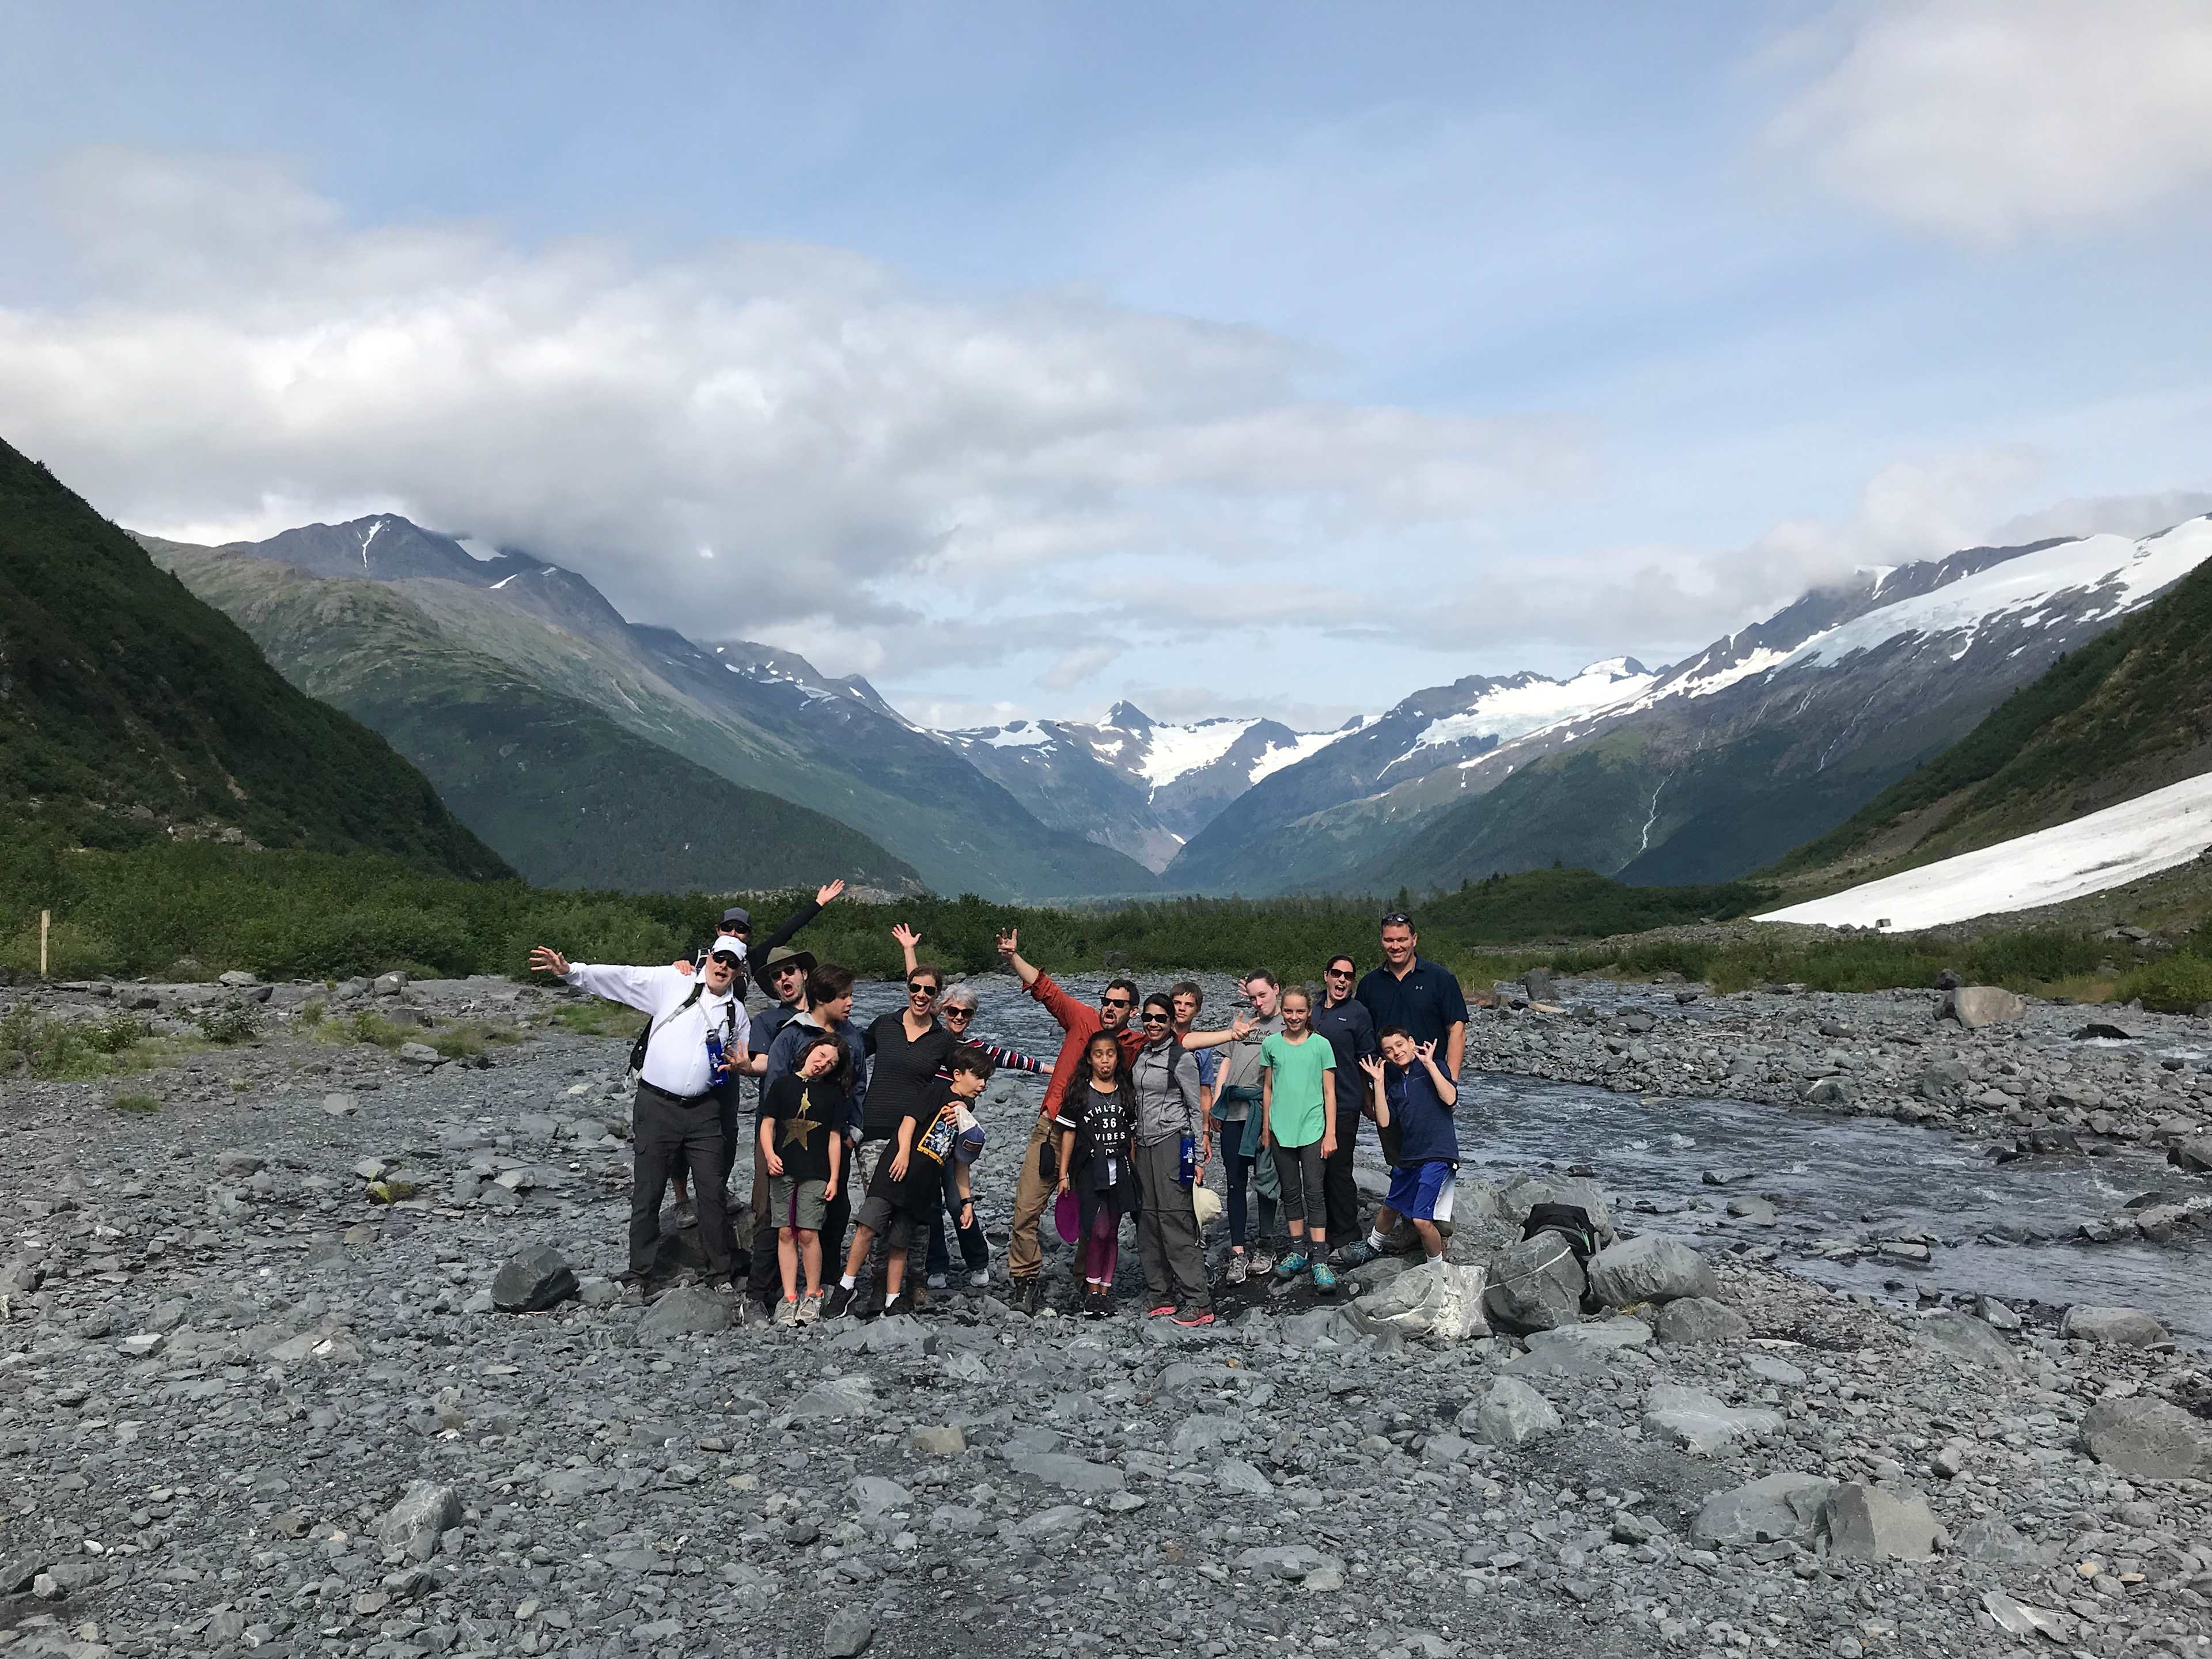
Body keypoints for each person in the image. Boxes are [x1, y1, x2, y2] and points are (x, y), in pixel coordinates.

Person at [529, 935, 751, 1290]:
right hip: (656, 1106)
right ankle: (640, 1273)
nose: (723, 966)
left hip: (705, 1111)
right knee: (648, 1191)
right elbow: (623, 978)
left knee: (711, 1192)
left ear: (739, 971)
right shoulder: (672, 982)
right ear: (708, 957)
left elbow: (743, 1061)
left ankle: (720, 1272)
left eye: (732, 962)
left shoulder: (737, 1014)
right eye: (719, 957)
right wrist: (571, 972)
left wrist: (747, 1067)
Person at [668, 880, 845, 1226]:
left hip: (724, 1053)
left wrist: (817, 904)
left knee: (726, 1129)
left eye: (742, 929)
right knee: (678, 1130)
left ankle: (716, 1190)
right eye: (729, 927)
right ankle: (680, 1198)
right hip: (686, 1051)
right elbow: (671, 984)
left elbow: (785, 932)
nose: (735, 933)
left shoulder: (751, 962)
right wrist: (680, 965)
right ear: (718, 930)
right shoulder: (701, 959)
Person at [995, 929, 1149, 1316]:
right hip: (1051, 1129)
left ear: (1132, 1010)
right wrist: (1014, 957)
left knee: (1091, 1214)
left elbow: (1176, 1039)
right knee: (1026, 1209)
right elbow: (1046, 988)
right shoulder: (1081, 1018)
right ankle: (1025, 1278)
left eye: (1119, 1004)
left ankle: (1088, 1282)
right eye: (1107, 1001)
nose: (1110, 1008)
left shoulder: (1134, 1043)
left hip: (1096, 1141)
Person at [825, 1047, 995, 1318]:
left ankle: (893, 1299)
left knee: (901, 1240)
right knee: (868, 1225)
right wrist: (903, 1152)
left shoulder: (966, 1116)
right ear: (958, 1074)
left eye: (987, 1078)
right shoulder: (936, 1092)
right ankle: (847, 1286)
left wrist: (966, 1202)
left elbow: (961, 1164)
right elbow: (909, 1121)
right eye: (978, 1077)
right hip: (894, 1171)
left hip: (923, 1185)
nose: (983, 1084)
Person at [1344, 912, 1468, 1267]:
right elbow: (1363, 1040)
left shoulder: (1440, 978)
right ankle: (1411, 1220)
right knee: (1398, 1155)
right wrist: (1371, 1090)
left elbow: (1456, 1029)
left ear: (1414, 939)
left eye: (1402, 939)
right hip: (1388, 1086)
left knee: (1431, 1148)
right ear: (1382, 941)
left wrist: (1450, 1081)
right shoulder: (1370, 985)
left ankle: (1425, 1224)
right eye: (1388, 940)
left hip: (1430, 1084)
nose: (1395, 946)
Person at [925, 980, 1045, 1291]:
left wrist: (1054, 1068)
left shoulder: (976, 1049)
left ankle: (977, 1260)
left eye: (966, 1013)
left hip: (952, 1139)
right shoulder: (929, 1042)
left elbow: (1012, 1059)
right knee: (927, 1207)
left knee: (957, 1201)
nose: (959, 1017)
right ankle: (936, 1265)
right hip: (923, 1137)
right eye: (953, 1011)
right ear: (943, 1010)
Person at [855, 956, 959, 1309]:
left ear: (937, 997)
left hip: (921, 1136)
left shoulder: (943, 1040)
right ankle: (878, 1282)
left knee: (919, 1209)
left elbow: (965, 1075)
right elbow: (850, 1054)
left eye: (929, 990)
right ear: (907, 989)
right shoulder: (884, 1024)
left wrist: (961, 1107)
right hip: (877, 1129)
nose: (921, 994)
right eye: (916, 987)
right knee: (879, 1208)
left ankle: (915, 1281)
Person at [764, 964, 870, 1283]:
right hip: (787, 1145)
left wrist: (854, 1132)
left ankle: (826, 1278)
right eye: (844, 997)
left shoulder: (852, 1036)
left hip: (835, 1141)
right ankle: (771, 1286)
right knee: (780, 1217)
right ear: (823, 999)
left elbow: (860, 1086)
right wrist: (770, 1144)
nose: (851, 1002)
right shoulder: (793, 1034)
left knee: (835, 1210)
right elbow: (774, 1087)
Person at [1132, 993, 1212, 1324]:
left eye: (1160, 1019)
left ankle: (1198, 1300)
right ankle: (1160, 1293)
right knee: (1147, 1220)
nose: (1153, 1024)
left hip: (1172, 1142)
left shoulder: (1182, 1058)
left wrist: (1196, 1158)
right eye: (1148, 1018)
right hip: (1144, 1145)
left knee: (1176, 1218)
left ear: (1171, 1022)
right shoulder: (1141, 1055)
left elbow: (1196, 1108)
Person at [759, 1033, 847, 1324]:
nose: (823, 1064)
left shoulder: (834, 1095)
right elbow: (767, 1123)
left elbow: (835, 1139)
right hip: (783, 1168)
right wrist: (769, 1155)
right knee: (785, 1231)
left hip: (817, 1171)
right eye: (821, 1055)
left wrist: (834, 1177)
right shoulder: (782, 1085)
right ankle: (789, 1297)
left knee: (809, 1232)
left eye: (831, 1063)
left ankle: (813, 1293)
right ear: (810, 1051)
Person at [1357, 1027, 1458, 1268]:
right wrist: (1378, 1083)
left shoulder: (1436, 1067)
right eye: (1389, 1050)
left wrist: (1430, 1064)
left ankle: (1438, 1268)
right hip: (1410, 1155)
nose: (1396, 1052)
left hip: (1438, 1154)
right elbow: (1384, 1121)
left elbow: (1451, 1098)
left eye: (1400, 1045)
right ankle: (1373, 1245)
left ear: (1411, 1042)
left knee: (1422, 1221)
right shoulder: (1393, 1084)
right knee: (1391, 1205)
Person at [1259, 984, 1338, 1292]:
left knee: (1314, 1193)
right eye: (1289, 1011)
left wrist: (1330, 1133)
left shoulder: (1321, 1045)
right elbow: (1268, 1088)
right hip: (1281, 1129)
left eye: (1300, 1011)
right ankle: (1297, 1251)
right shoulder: (1272, 1045)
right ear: (1282, 1011)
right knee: (1290, 1193)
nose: (1294, 1017)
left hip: (1313, 1130)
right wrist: (1266, 1128)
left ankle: (1320, 1260)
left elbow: (1330, 1092)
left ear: (1309, 1013)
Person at [1055, 1032, 1138, 1319]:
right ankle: (1091, 1292)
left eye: (1111, 1054)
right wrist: (1063, 1173)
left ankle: (1105, 1290)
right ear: (1089, 1059)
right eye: (1099, 1054)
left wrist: (1135, 1172)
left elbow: (1132, 1137)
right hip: (1091, 1171)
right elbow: (1068, 1133)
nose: (1105, 1060)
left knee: (1113, 1231)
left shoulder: (1126, 1092)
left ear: (1118, 1057)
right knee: (1097, 1230)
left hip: (1120, 1170)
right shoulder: (1080, 1092)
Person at [1210, 970, 1284, 1285]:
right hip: (1234, 1111)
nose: (1258, 1002)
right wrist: (1216, 1102)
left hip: (1266, 1114)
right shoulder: (1242, 1023)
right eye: (1252, 997)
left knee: (1266, 1178)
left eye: (1263, 995)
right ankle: (1238, 1250)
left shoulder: (1288, 1023)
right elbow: (1225, 1062)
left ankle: (1267, 1244)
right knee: (1234, 1181)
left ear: (1276, 990)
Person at [1310, 954, 1377, 1260]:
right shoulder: (1310, 1009)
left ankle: (1346, 1235)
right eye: (1336, 974)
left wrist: (1369, 1098)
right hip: (1308, 1103)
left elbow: (1367, 1060)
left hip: (1346, 1100)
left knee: (1339, 1169)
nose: (1342, 980)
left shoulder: (1358, 1013)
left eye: (1348, 976)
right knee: (1313, 1170)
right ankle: (1317, 1233)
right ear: (1326, 975)